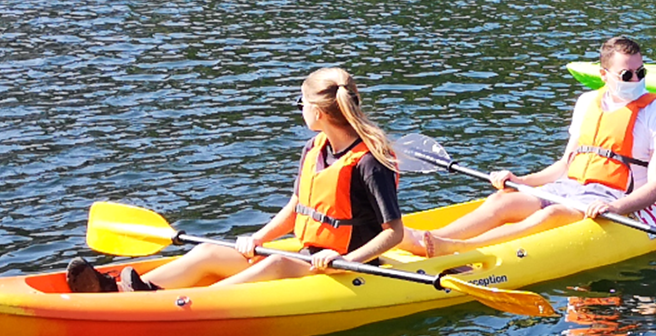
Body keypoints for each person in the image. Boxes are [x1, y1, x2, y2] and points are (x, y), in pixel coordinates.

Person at [67, 67, 407, 292]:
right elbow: (297, 207)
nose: (300, 110)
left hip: (347, 267)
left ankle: (187, 305)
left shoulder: (369, 162)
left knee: (274, 263)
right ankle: (123, 290)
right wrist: (256, 238)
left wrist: (346, 260)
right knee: (209, 253)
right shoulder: (315, 147)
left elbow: (394, 233)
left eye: (300, 103)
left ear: (317, 113)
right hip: (308, 254)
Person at [406, 36, 656, 254]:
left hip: (613, 196)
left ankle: (462, 249)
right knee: (502, 200)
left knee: (552, 213)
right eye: (626, 74)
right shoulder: (587, 102)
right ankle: (431, 240)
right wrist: (521, 179)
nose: (635, 80)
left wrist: (616, 208)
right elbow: (565, 165)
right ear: (604, 74)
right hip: (570, 187)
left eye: (640, 72)